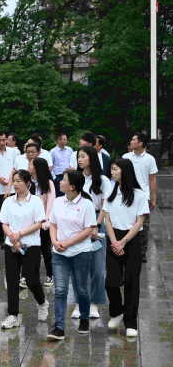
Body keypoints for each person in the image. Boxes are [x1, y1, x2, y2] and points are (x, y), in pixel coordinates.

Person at [47, 170, 97, 340]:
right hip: (59, 253)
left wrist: (68, 243)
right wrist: (54, 241)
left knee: (81, 289)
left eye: (64, 180)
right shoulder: (58, 202)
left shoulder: (86, 204)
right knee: (60, 290)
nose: (60, 182)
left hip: (80, 252)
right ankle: (59, 327)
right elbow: (53, 223)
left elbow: (89, 229)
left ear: (72, 187)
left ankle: (84, 318)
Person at [103, 159, 149, 338]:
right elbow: (107, 220)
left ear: (125, 171)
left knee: (131, 282)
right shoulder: (111, 192)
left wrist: (123, 242)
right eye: (112, 169)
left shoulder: (139, 195)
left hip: (132, 239)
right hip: (113, 237)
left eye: (115, 169)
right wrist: (114, 241)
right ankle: (117, 312)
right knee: (111, 282)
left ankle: (131, 322)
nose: (112, 172)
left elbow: (139, 222)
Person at [0, 169, 49, 329]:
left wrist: (19, 234)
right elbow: (4, 223)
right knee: (12, 280)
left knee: (31, 279)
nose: (15, 184)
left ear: (28, 183)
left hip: (30, 245)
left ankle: (42, 302)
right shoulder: (8, 201)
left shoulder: (35, 201)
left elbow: (39, 223)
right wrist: (12, 236)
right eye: (14, 181)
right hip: (11, 245)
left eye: (19, 181)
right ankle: (13, 315)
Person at [71, 146, 112, 320]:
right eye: (78, 157)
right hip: (77, 222)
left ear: (92, 158)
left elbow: (106, 204)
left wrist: (97, 224)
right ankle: (79, 303)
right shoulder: (75, 177)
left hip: (96, 221)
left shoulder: (102, 180)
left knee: (97, 268)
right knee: (78, 266)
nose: (79, 160)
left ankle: (94, 303)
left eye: (83, 156)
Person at [122, 132, 158, 263]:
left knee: (143, 226)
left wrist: (153, 198)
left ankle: (142, 253)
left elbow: (152, 180)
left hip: (143, 197)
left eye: (133, 140)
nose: (131, 142)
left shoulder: (150, 159)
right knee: (127, 223)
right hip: (127, 195)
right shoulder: (126, 157)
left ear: (141, 143)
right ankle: (126, 249)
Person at [28, 157, 56, 288]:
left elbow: (51, 203)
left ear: (37, 168)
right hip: (30, 223)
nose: (29, 167)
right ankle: (29, 276)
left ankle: (50, 275)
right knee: (30, 250)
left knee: (45, 250)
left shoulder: (48, 183)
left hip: (43, 223)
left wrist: (46, 220)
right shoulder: (29, 182)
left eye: (31, 165)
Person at [50, 132, 73, 197]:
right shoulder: (53, 151)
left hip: (69, 175)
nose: (64, 141)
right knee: (60, 195)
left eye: (65, 139)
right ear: (58, 140)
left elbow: (72, 161)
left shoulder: (70, 150)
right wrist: (54, 177)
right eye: (62, 139)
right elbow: (51, 165)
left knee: (69, 194)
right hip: (58, 177)